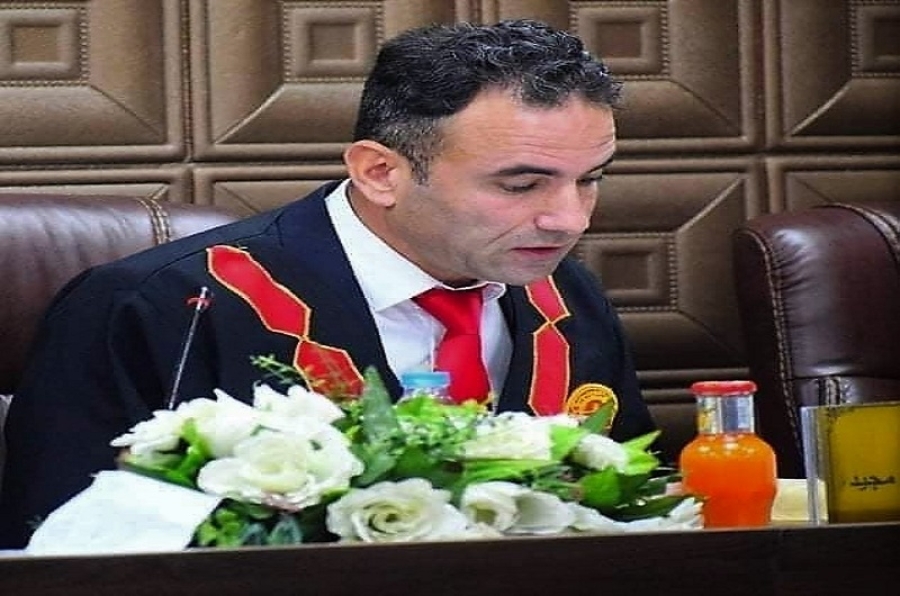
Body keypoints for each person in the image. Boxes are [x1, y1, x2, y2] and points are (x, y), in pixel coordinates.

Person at [0, 19, 654, 548]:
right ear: (379, 172)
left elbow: (627, 507)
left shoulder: (564, 295)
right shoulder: (161, 306)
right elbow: (58, 546)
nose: (569, 219)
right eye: (521, 184)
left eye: (590, 179)